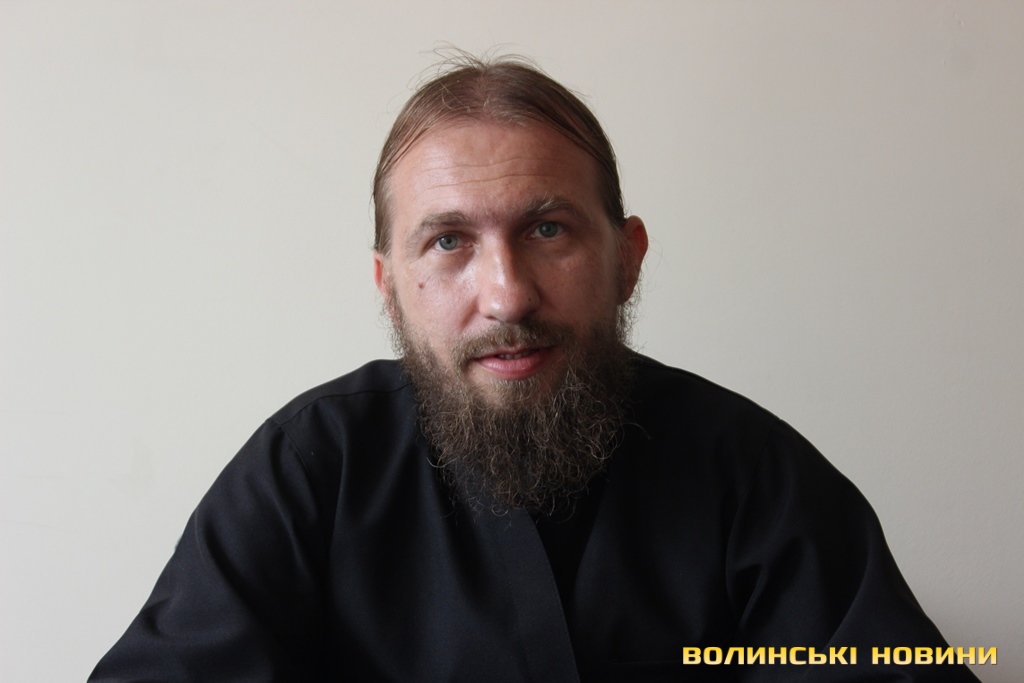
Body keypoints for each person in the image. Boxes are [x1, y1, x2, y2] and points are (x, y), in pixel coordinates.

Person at [90, 55, 979, 682]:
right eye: (449, 242)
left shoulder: (751, 472)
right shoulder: (309, 468)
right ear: (390, 286)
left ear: (627, 258)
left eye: (548, 229)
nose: (507, 294)